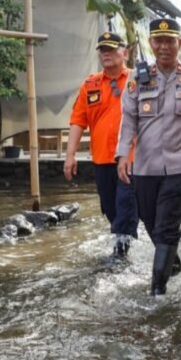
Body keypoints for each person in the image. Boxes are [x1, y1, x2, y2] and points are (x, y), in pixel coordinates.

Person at [116, 18, 181, 296]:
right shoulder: (138, 76)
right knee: (149, 220)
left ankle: (157, 291)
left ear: (179, 43)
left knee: (168, 225)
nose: (165, 46)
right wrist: (123, 155)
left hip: (180, 165)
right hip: (145, 165)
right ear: (151, 43)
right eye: (159, 41)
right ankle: (173, 263)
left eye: (170, 41)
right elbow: (128, 118)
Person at [64, 32, 138, 257]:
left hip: (132, 159)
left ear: (124, 53)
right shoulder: (90, 84)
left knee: (126, 205)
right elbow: (78, 121)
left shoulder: (138, 80)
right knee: (110, 207)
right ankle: (124, 242)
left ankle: (120, 254)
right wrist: (70, 155)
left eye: (111, 49)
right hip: (102, 159)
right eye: (102, 50)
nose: (106, 54)